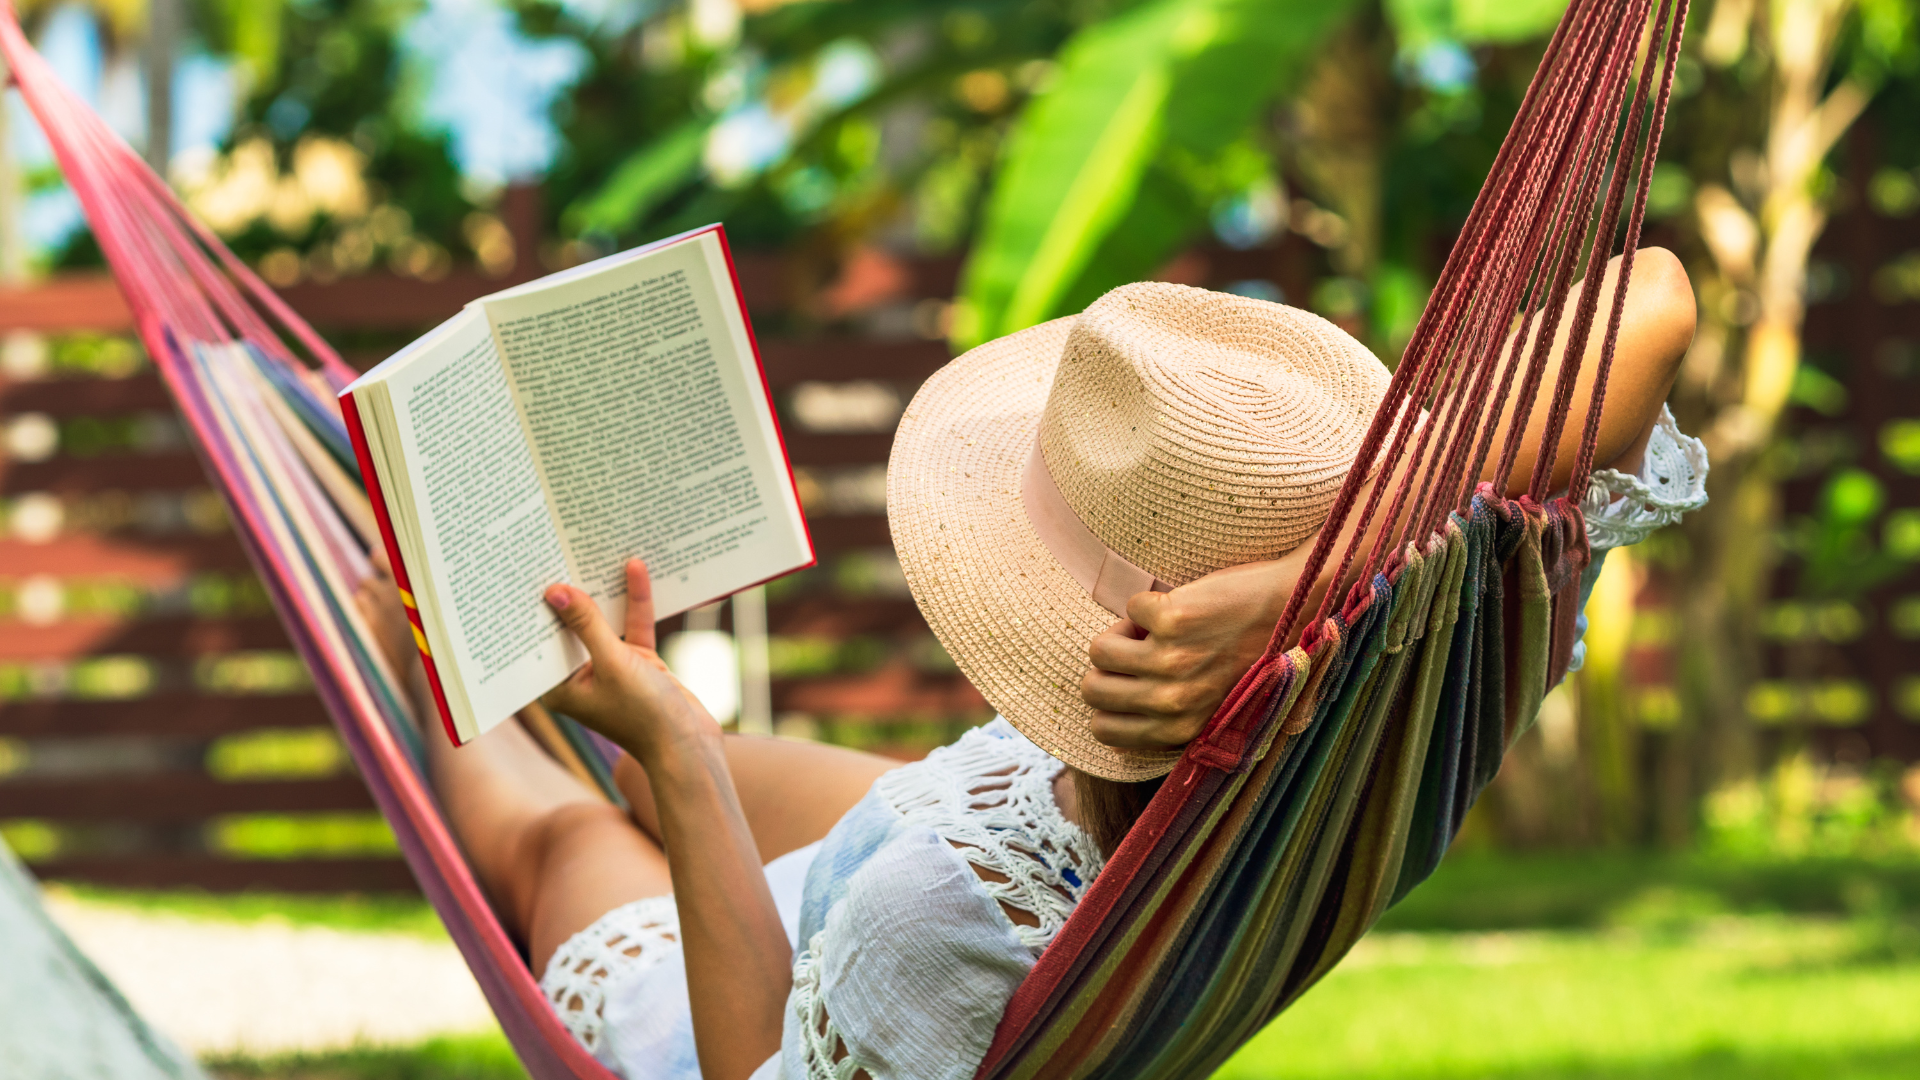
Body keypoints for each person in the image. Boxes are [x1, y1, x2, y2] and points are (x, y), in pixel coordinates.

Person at [356, 249, 1706, 1080]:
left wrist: (682, 752)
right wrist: (1313, 583)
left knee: (571, 834)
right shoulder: (1421, 657)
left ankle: (410, 641)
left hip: (802, 968)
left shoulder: (941, 925)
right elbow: (1657, 295)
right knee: (636, 777)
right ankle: (570, 692)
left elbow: (760, 1068)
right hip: (988, 809)